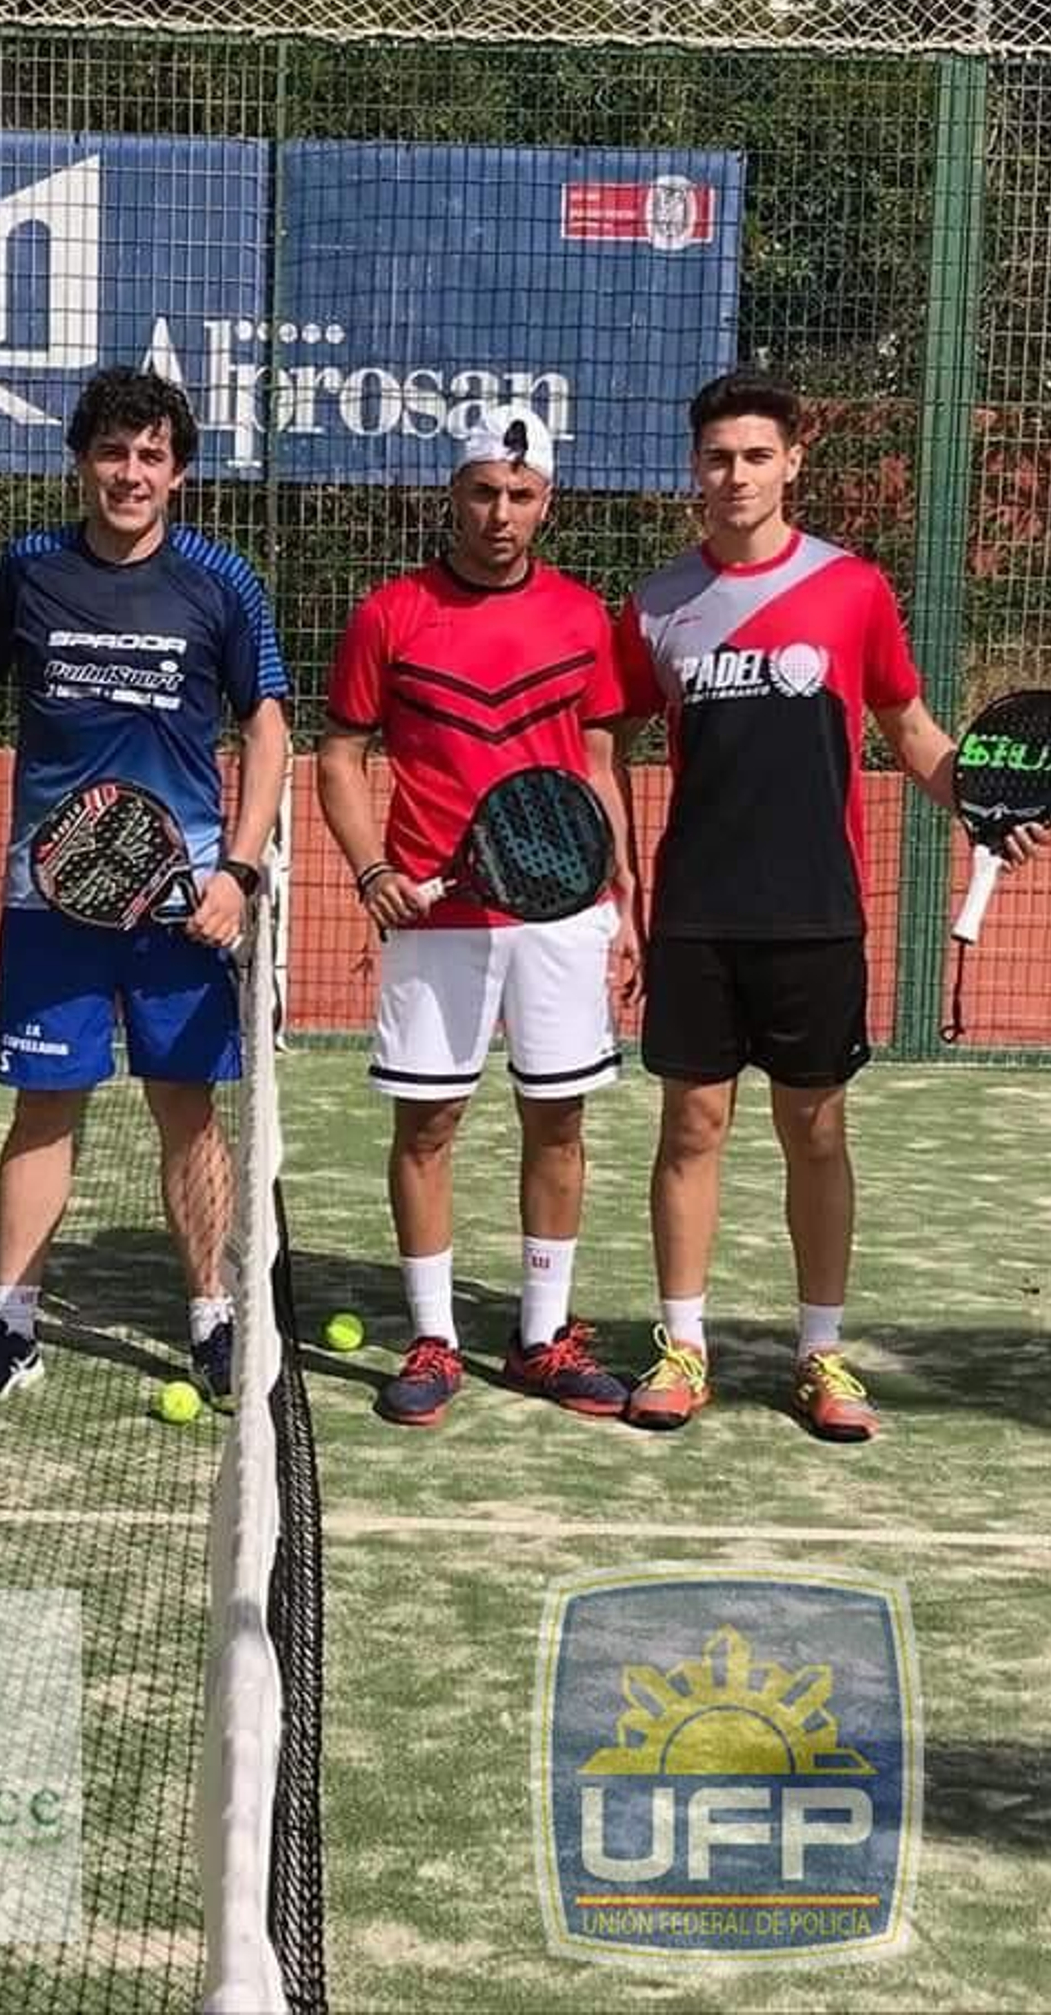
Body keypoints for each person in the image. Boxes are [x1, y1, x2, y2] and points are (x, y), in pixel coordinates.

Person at [615, 369, 1048, 1441]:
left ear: (793, 462)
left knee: (815, 1128)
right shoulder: (657, 604)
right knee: (691, 1124)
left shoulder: (853, 589)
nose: (737, 475)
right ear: (695, 468)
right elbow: (601, 741)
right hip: (698, 911)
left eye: (757, 456)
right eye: (719, 457)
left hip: (815, 909)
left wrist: (983, 804)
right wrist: (618, 883)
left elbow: (910, 727)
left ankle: (820, 1352)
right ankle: (683, 1345)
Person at [0, 367, 290, 1412]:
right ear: (80, 461)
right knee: (43, 1105)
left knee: (186, 1106)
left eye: (150, 455)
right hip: (49, 901)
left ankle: (212, 1318)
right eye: (111, 452)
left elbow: (267, 728)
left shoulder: (221, 581)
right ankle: (10, 1323)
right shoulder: (27, 570)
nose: (130, 473)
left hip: (183, 906)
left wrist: (237, 870)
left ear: (177, 473)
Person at [316, 405, 641, 1426]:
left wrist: (625, 894)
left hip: (560, 914)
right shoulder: (390, 613)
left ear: (548, 502)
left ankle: (541, 1337)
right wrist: (371, 868)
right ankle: (433, 1337)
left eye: (520, 495)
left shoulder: (583, 617)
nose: (501, 514)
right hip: (436, 915)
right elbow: (340, 756)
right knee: (428, 1123)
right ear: (453, 495)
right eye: (483, 493)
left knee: (558, 1118)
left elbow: (598, 765)